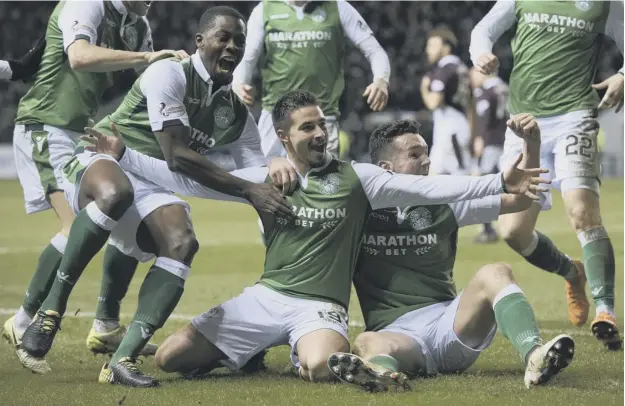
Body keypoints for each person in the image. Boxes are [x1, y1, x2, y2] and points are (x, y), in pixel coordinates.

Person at [80, 89, 551, 385]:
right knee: (169, 359)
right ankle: (249, 352)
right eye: (309, 127)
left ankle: (310, 357)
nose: (321, 133)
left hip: (320, 307)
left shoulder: (360, 179)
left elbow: (431, 188)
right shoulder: (265, 178)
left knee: (323, 366)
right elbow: (190, 180)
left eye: (323, 123)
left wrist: (497, 182)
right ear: (285, 137)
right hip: (267, 296)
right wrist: (126, 157)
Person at [18, 6, 297, 387]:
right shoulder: (169, 73)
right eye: (224, 38)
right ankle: (50, 311)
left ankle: (121, 360)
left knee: (182, 242)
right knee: (118, 193)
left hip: (151, 183)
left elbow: (252, 176)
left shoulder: (235, 114)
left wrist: (275, 173)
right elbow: (178, 156)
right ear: (200, 42)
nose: (233, 46)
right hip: (102, 156)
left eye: (240, 42)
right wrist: (250, 189)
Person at [3, 0, 188, 374]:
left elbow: (143, 79)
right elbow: (80, 57)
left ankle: (105, 324)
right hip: (44, 127)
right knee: (77, 225)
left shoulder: (137, 25)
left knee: (129, 218)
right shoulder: (88, 4)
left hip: (84, 131)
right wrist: (149, 56)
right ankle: (23, 320)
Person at [327, 117, 574, 393]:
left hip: (450, 327)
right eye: (414, 154)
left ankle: (535, 356)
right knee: (366, 342)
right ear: (386, 168)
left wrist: (531, 143)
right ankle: (385, 375)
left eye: (426, 153)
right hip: (397, 337)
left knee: (496, 272)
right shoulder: (356, 212)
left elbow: (521, 199)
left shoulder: (445, 202)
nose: (426, 161)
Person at [470, 0, 623, 349]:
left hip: (574, 115)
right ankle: (571, 271)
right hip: (523, 121)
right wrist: (481, 54)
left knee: (583, 212)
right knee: (513, 231)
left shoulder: (604, 4)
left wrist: (622, 75)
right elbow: (484, 30)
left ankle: (606, 311)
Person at [232, 0, 390, 159]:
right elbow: (247, 56)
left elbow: (374, 50)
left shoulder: (337, 7)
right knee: (270, 179)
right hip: (276, 117)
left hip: (322, 117)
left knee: (323, 181)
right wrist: (238, 83)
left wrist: (381, 79)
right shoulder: (265, 9)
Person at [420, 26, 471, 175]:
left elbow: (433, 102)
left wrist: (424, 89)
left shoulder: (445, 68)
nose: (428, 50)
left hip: (450, 127)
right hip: (460, 123)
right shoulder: (461, 67)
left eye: (433, 45)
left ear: (446, 47)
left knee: (434, 175)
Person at [469, 67, 509, 243]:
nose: (471, 77)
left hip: (490, 141)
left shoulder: (485, 92)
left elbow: (484, 118)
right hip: (506, 140)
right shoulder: (503, 87)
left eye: (474, 73)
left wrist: (479, 138)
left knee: (481, 185)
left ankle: (488, 230)